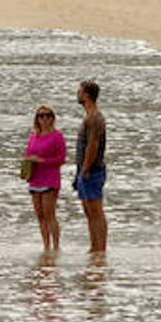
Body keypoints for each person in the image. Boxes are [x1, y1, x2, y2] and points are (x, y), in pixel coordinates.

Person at [23, 105, 66, 252]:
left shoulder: (57, 136)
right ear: (37, 119)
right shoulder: (34, 137)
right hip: (35, 179)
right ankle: (46, 246)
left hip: (50, 179)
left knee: (50, 214)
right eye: (41, 116)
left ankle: (56, 246)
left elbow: (61, 159)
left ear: (52, 118)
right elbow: (28, 155)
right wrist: (28, 164)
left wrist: (42, 161)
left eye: (48, 115)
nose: (44, 118)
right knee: (40, 215)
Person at [73, 80, 107, 254]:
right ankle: (94, 247)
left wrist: (85, 169)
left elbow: (93, 145)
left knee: (96, 212)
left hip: (92, 171)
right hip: (85, 171)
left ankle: (100, 249)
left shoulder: (94, 118)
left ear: (86, 95)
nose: (77, 94)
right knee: (88, 212)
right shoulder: (89, 116)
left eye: (79, 91)